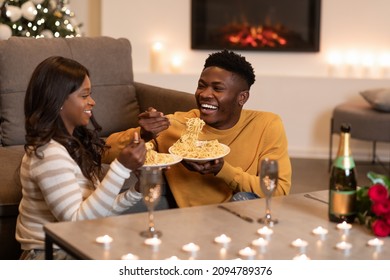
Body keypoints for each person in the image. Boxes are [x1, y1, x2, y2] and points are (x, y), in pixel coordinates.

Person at [103, 49, 291, 207]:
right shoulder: (174, 125)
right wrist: (142, 135)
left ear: (242, 98)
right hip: (188, 217)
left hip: (238, 212)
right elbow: (104, 152)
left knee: (245, 200)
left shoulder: (267, 124)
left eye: (217, 89)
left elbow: (279, 190)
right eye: (202, 86)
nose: (205, 94)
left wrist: (222, 170)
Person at [16, 56, 146, 260]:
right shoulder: (48, 154)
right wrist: (120, 168)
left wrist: (138, 189)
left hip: (76, 246)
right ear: (57, 101)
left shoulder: (72, 144)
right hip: (51, 255)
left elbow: (95, 211)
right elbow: (77, 221)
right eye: (84, 95)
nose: (92, 101)